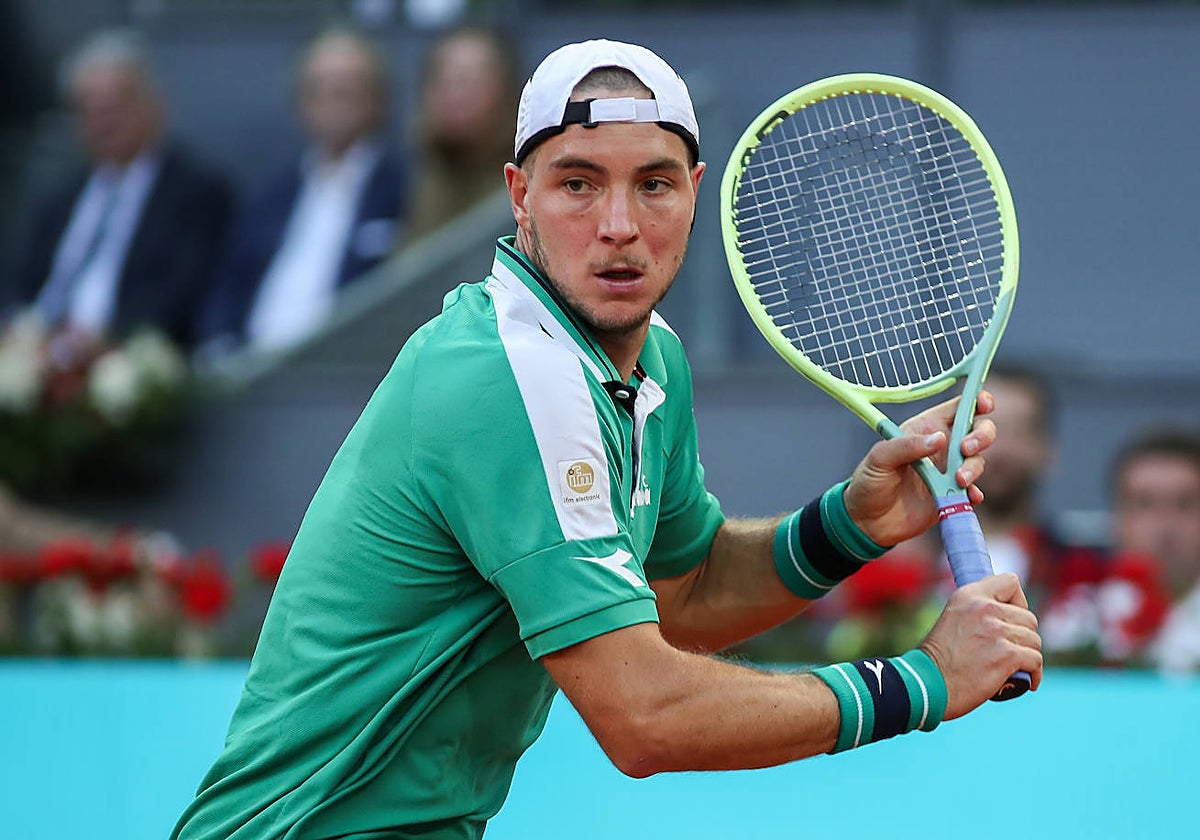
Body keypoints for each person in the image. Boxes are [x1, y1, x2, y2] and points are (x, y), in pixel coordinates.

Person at [172, 39, 1041, 839]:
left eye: (654, 184)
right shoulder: (507, 375)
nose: (619, 225)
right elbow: (644, 718)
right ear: (519, 196)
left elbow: (682, 590)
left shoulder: (647, 359)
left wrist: (848, 525)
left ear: (695, 191)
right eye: (578, 183)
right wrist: (923, 681)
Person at [5, 28, 232, 352]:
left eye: (115, 107)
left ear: (155, 104)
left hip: (125, 364)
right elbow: (18, 284)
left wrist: (93, 345)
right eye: (90, 110)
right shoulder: (58, 199)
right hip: (35, 362)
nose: (104, 122)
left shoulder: (195, 194)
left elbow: (180, 300)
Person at [194, 26, 406, 358]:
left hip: (342, 372)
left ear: (378, 99)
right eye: (321, 87)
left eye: (348, 86)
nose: (335, 97)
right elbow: (232, 284)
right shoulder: (273, 194)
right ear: (302, 103)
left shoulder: (402, 188)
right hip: (249, 371)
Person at [400, 23, 522, 244]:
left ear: (506, 93)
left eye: (470, 81)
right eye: (445, 80)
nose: (455, 94)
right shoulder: (414, 180)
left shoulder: (523, 188)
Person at [1112, 427, 1200, 672]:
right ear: (1117, 521)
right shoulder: (1076, 622)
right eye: (1145, 504)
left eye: (1184, 504)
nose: (1165, 526)